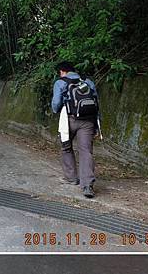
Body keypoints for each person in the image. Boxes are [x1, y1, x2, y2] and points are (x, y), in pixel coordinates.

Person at [51, 61, 99, 198]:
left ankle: (71, 178)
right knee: (86, 151)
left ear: (62, 71)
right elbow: (96, 104)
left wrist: (57, 110)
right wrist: (96, 125)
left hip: (69, 120)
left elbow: (55, 105)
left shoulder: (60, 82)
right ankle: (87, 185)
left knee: (66, 147)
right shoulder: (88, 81)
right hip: (88, 121)